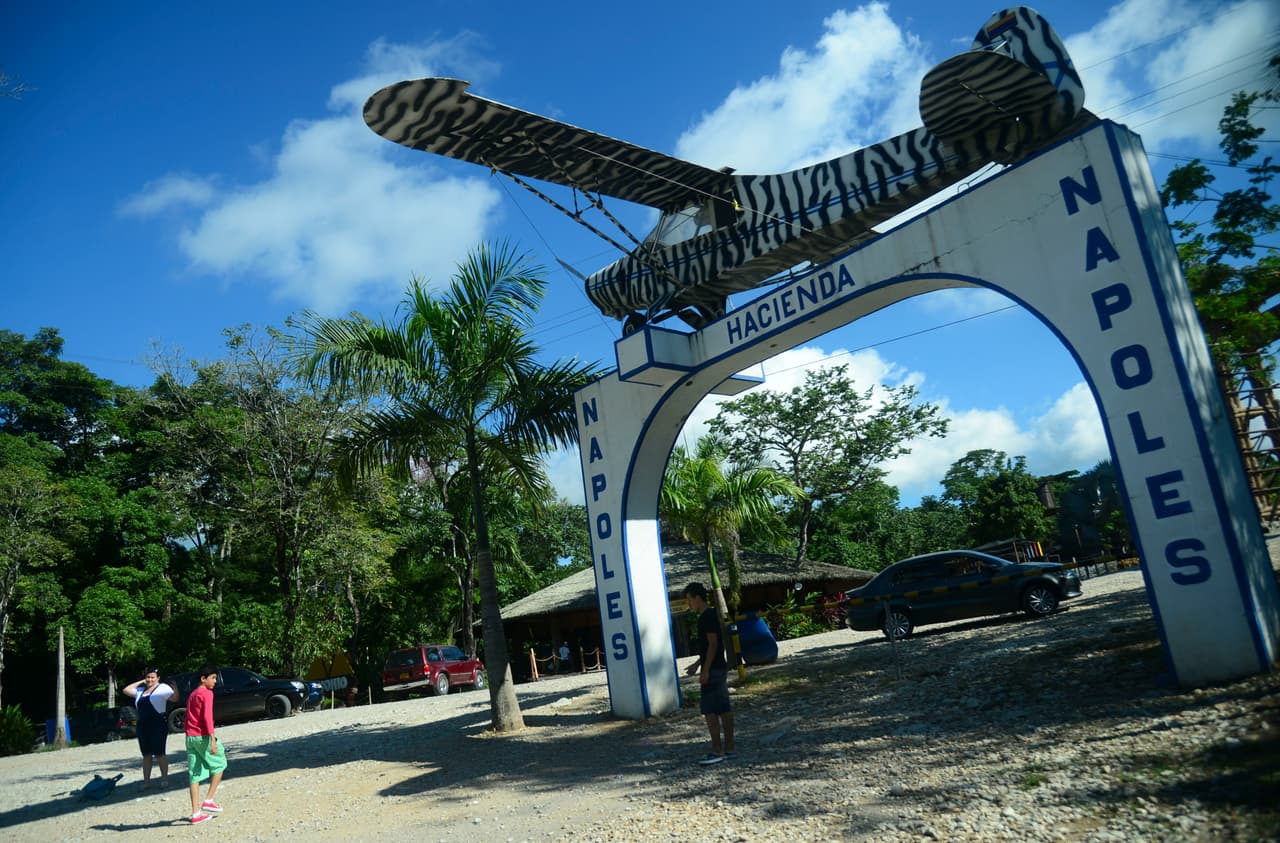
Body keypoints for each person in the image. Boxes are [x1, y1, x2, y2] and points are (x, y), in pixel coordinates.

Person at [683, 582, 735, 765]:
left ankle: (717, 750)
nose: (688, 604)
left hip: (713, 669)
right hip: (717, 666)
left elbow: (713, 643)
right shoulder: (711, 615)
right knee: (723, 707)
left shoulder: (706, 617)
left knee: (710, 711)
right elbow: (711, 646)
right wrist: (698, 664)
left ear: (697, 597)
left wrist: (705, 671)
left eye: (689, 600)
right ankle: (729, 748)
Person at [184, 665, 227, 824]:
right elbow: (208, 717)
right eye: (213, 678)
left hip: (190, 738)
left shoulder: (193, 694)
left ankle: (196, 814)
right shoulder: (207, 693)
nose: (215, 681)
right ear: (203, 678)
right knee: (220, 764)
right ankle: (208, 800)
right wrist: (212, 739)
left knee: (194, 775)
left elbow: (188, 717)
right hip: (202, 737)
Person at [122, 667, 174, 789]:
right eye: (148, 677)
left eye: (152, 677)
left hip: (158, 723)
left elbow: (173, 697)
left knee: (160, 753)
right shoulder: (140, 691)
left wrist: (174, 691)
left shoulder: (162, 688)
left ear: (158, 678)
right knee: (146, 754)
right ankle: (146, 782)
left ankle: (164, 779)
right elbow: (126, 690)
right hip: (143, 725)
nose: (150, 679)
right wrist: (141, 682)